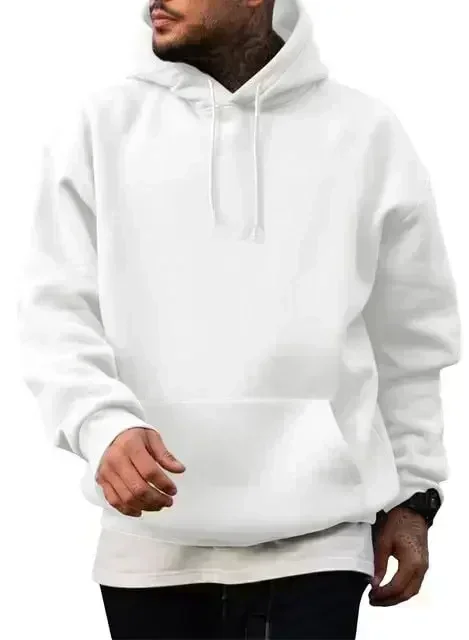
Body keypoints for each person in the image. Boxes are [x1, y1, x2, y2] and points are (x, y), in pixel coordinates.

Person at [17, 0, 461, 638]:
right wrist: (100, 426)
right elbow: (55, 313)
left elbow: (409, 339)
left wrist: (414, 497)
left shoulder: (365, 134)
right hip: (151, 545)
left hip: (320, 544)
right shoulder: (98, 128)